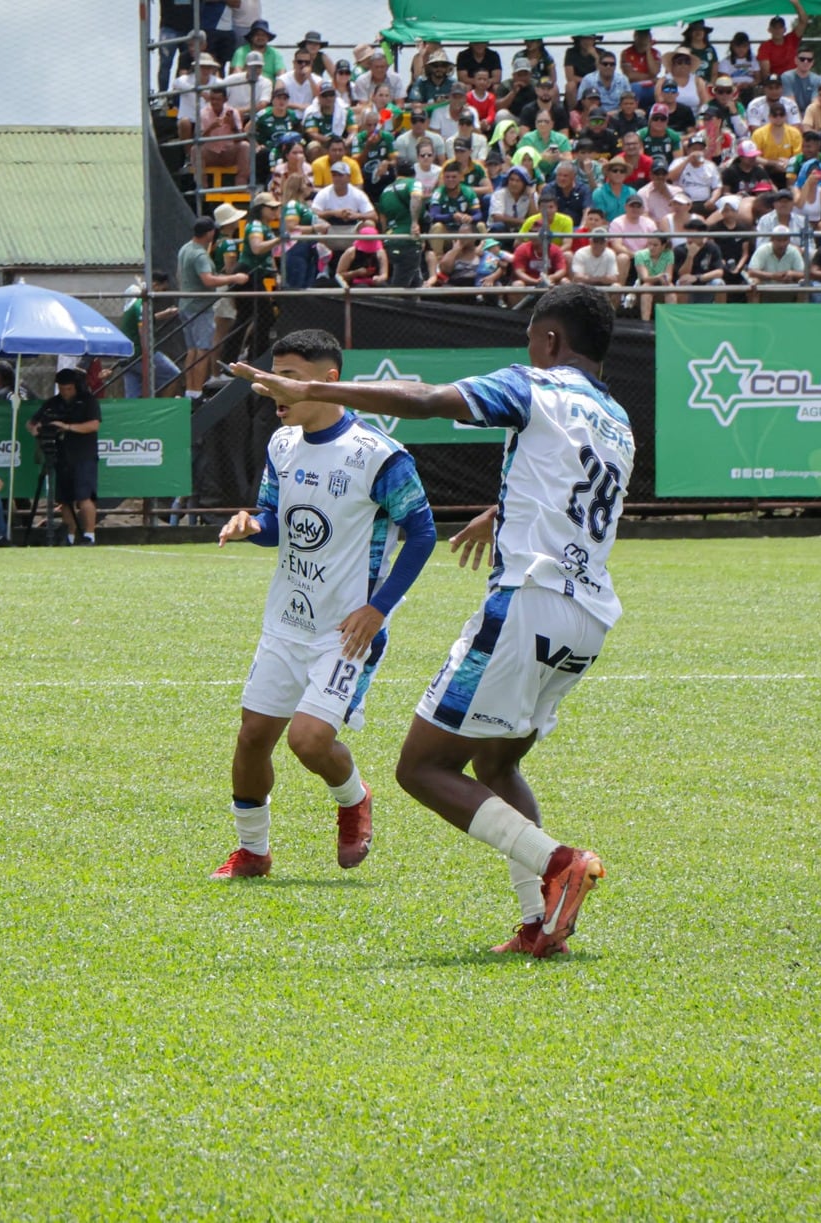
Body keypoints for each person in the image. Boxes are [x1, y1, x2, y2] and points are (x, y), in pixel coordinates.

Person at [231, 286, 628, 958]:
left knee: (421, 767)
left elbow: (425, 400)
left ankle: (558, 860)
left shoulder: (537, 386)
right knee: (497, 763)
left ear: (550, 342)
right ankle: (539, 922)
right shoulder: (615, 417)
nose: (526, 351)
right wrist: (499, 512)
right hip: (587, 615)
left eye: (531, 339)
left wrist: (316, 392)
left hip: (527, 600)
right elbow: (572, 489)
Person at [208, 330, 435, 881]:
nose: (272, 387)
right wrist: (252, 524)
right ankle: (253, 852)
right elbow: (274, 521)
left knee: (308, 741)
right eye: (270, 374)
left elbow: (423, 532)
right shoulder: (281, 445)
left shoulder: (379, 456)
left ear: (329, 381)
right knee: (252, 737)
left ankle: (354, 798)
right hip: (286, 621)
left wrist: (378, 609)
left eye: (286, 376)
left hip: (345, 631)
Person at [28, 368, 101, 545]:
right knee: (64, 499)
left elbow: (93, 425)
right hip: (60, 455)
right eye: (62, 388)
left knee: (84, 497)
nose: (65, 392)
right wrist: (36, 430)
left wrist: (67, 427)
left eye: (69, 388)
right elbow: (31, 423)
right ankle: (68, 536)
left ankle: (89, 535)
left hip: (83, 455)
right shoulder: (52, 403)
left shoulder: (88, 401)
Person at [178, 217, 249, 395]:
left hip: (186, 304)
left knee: (192, 349)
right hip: (199, 307)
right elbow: (208, 280)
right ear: (209, 233)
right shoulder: (200, 255)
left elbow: (179, 275)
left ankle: (190, 390)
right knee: (202, 349)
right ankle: (197, 391)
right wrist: (234, 278)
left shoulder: (185, 248)